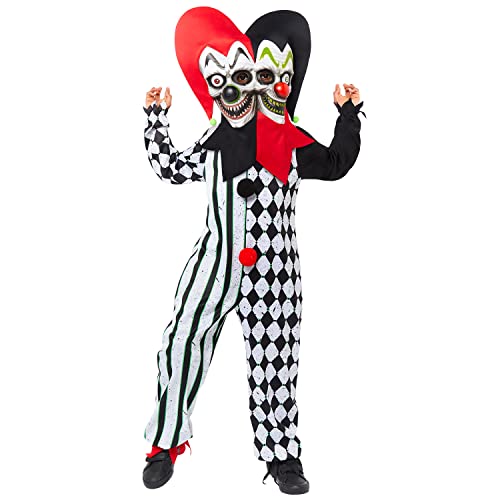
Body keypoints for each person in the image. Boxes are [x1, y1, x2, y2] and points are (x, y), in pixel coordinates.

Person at [141, 8, 366, 495]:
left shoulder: (295, 144)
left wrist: (348, 114)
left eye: (262, 77)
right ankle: (164, 442)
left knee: (276, 361)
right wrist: (155, 118)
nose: (246, 90)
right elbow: (169, 168)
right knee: (182, 340)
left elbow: (336, 163)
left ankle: (282, 457)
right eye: (236, 78)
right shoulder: (211, 144)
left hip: (276, 271)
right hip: (214, 262)